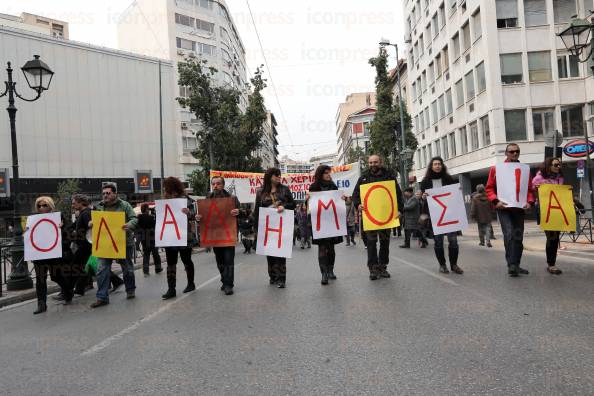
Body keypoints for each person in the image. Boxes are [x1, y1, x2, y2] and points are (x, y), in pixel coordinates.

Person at [485, 143, 536, 277]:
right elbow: (489, 188)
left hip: (519, 209)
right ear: (506, 153)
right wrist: (496, 201)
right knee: (509, 234)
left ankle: (516, 264)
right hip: (504, 208)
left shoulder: (525, 169)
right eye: (511, 151)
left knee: (518, 236)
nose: (514, 153)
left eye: (517, 151)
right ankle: (511, 265)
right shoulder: (496, 169)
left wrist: (530, 202)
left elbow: (529, 190)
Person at [352, 155, 403, 280]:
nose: (373, 164)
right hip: (370, 219)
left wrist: (400, 210)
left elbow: (398, 194)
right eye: (370, 162)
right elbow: (355, 195)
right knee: (371, 243)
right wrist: (358, 204)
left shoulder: (389, 176)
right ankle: (373, 268)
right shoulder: (363, 178)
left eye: (375, 162)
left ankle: (383, 266)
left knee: (385, 243)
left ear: (380, 162)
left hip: (387, 217)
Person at [90, 183, 138, 308]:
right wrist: (91, 223)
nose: (105, 195)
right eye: (104, 193)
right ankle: (102, 297)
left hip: (123, 242)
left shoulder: (125, 205)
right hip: (104, 243)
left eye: (108, 193)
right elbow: (94, 220)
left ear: (115, 194)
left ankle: (130, 289)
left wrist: (129, 225)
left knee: (127, 268)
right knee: (101, 270)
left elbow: (134, 218)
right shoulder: (99, 206)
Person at [420, 157, 464, 274]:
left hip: (450, 214)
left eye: (439, 164)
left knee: (453, 241)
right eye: (435, 164)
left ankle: (454, 264)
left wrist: (459, 189)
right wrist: (423, 197)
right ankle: (442, 265)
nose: (438, 166)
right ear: (431, 166)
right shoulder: (425, 181)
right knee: (438, 242)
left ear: (442, 165)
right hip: (435, 216)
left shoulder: (448, 179)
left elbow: (454, 194)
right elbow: (423, 198)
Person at [198, 176, 241, 295]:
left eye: (218, 183)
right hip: (215, 235)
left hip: (228, 234)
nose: (215, 186)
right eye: (214, 184)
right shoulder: (207, 199)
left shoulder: (232, 198)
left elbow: (243, 213)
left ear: (223, 185)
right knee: (220, 261)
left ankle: (229, 285)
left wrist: (238, 212)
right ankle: (224, 280)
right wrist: (198, 218)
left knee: (229, 260)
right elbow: (203, 216)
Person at [254, 167, 295, 288]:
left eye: (279, 175)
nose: (278, 177)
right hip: (267, 227)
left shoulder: (285, 190)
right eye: (276, 175)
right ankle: (272, 276)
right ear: (269, 177)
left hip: (282, 226)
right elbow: (257, 211)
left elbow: (293, 204)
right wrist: (256, 230)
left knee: (281, 253)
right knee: (270, 253)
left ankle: (281, 278)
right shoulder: (260, 192)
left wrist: (284, 206)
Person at [30, 197, 73, 314]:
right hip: (39, 254)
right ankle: (41, 304)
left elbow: (67, 235)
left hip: (54, 253)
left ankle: (68, 293)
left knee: (56, 276)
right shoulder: (34, 219)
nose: (41, 208)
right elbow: (30, 235)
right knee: (40, 279)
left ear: (50, 206)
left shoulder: (58, 217)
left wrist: (61, 228)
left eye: (44, 205)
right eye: (39, 206)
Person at [161, 177, 197, 299]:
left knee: (186, 260)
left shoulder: (186, 200)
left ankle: (191, 283)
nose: (165, 190)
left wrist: (188, 213)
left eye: (167, 187)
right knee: (170, 263)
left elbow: (194, 216)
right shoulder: (165, 201)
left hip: (184, 236)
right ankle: (171, 288)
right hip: (170, 237)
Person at [308, 165, 344, 285]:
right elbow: (310, 206)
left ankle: (330, 270)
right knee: (322, 248)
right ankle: (323, 273)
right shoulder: (314, 187)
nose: (329, 175)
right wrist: (307, 199)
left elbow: (338, 202)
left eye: (329, 173)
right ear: (320, 174)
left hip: (332, 221)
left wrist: (343, 199)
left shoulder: (333, 186)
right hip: (320, 223)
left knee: (331, 248)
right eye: (326, 173)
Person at [532, 157, 565, 275]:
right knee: (551, 236)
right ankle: (551, 264)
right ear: (548, 166)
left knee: (556, 237)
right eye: (556, 165)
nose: (558, 167)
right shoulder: (539, 178)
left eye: (559, 165)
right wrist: (537, 190)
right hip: (544, 209)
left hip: (558, 210)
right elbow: (535, 194)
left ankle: (552, 262)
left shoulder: (560, 178)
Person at [137, 203, 162, 276]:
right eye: (148, 209)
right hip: (151, 237)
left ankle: (146, 271)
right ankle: (158, 268)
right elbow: (155, 226)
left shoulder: (139, 218)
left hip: (144, 238)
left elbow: (138, 227)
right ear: (146, 209)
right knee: (155, 254)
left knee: (146, 255)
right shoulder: (151, 217)